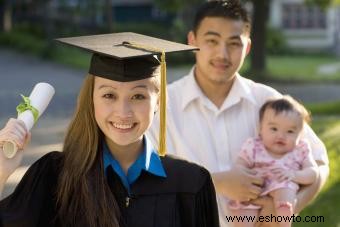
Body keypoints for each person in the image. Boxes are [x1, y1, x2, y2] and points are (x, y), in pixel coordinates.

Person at [0, 33, 219, 227]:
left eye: (138, 96)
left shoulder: (190, 183)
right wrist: (1, 171)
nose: (123, 112)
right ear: (91, 100)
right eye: (109, 95)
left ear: (159, 102)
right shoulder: (54, 176)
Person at [146, 1, 329, 226]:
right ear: (192, 41)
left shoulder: (269, 101)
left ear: (248, 47)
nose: (222, 54)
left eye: (234, 43)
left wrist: (285, 210)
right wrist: (214, 183)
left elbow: (320, 163)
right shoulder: (160, 107)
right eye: (211, 41)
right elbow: (142, 183)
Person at [228, 96, 318, 227]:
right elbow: (239, 166)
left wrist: (294, 175)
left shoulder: (300, 149)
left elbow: (313, 172)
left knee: (286, 191)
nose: (281, 136)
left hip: (281, 184)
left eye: (290, 131)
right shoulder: (254, 146)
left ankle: (284, 222)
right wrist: (247, 175)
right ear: (261, 129)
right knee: (243, 215)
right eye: (274, 129)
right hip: (254, 189)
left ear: (300, 134)